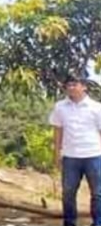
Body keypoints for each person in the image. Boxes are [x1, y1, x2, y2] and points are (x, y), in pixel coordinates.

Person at [49, 73, 101, 226]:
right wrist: (56, 153)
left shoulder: (96, 108)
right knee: (68, 194)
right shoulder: (60, 107)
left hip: (94, 155)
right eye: (68, 85)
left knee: (98, 194)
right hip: (70, 157)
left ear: (84, 86)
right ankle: (69, 222)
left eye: (74, 84)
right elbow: (58, 131)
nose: (71, 87)